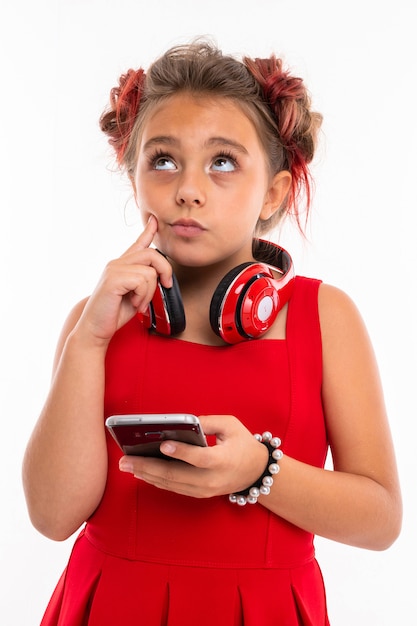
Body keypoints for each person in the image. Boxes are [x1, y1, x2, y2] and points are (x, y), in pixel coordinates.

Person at [22, 40, 402, 626]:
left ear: (273, 192)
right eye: (164, 160)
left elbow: (380, 520)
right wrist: (88, 344)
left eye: (222, 161)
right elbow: (51, 517)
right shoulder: (93, 322)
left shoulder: (325, 316)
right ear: (135, 180)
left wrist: (260, 472)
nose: (188, 189)